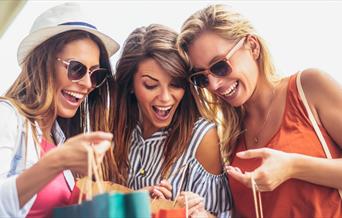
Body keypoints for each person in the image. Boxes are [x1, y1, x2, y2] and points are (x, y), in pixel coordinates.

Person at [177, 4, 342, 218]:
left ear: (252, 47)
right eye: (202, 78)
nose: (215, 84)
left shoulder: (308, 87)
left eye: (219, 66)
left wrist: (294, 166)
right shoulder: (230, 138)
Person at [0, 3, 119, 217]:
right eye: (77, 69)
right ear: (42, 63)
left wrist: (123, 203)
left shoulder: (59, 139)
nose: (87, 84)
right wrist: (57, 161)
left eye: (95, 74)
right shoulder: (6, 116)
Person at [108, 24, 231, 217]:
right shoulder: (114, 128)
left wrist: (199, 213)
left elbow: (223, 213)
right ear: (130, 84)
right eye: (150, 85)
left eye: (175, 84)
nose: (166, 98)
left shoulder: (202, 137)